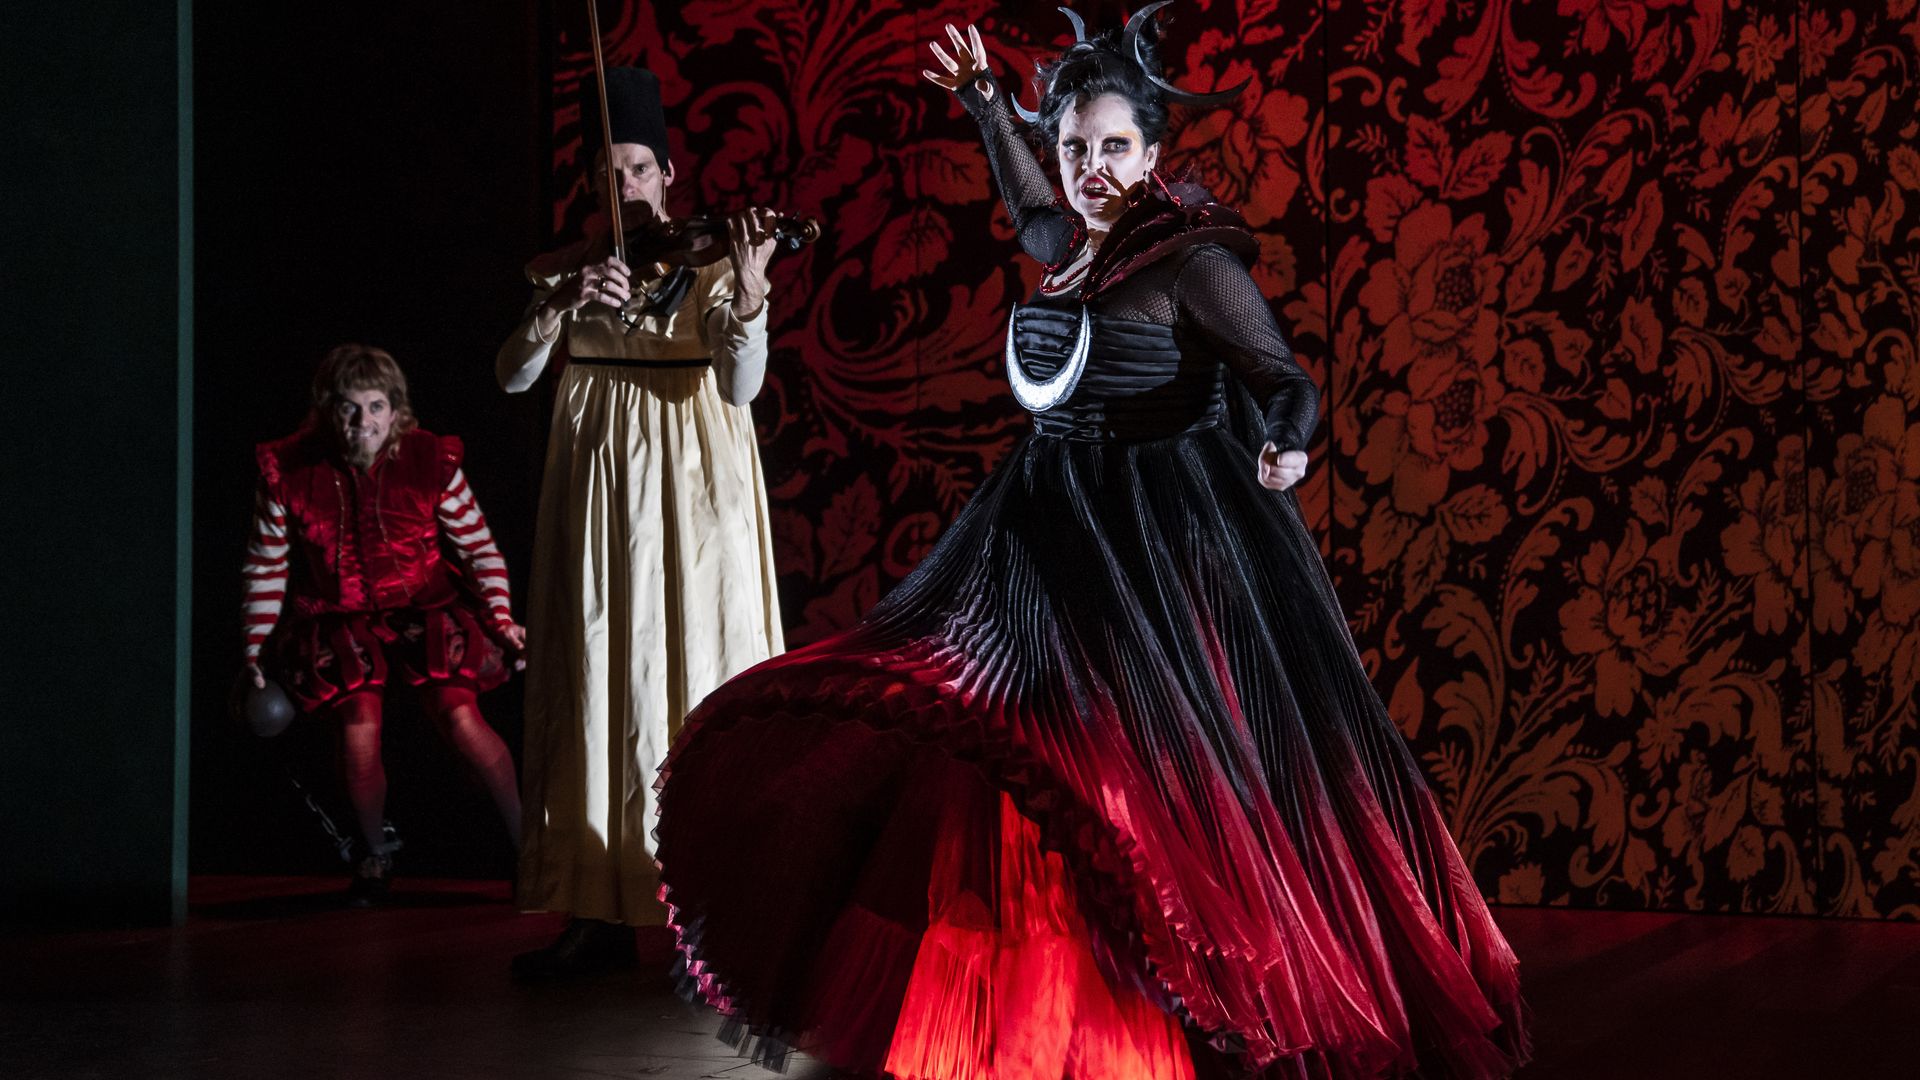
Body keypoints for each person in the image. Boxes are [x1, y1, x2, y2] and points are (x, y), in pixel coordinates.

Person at [652, 9, 1529, 1079]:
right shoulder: (1069, 245)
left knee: (1129, 768)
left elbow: (1282, 377)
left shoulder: (1189, 262)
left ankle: (1154, 1014)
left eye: (1115, 147)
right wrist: (986, 101)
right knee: (1014, 750)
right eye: (1076, 148)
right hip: (1043, 528)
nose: (1092, 169)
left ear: (1153, 156)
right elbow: (1029, 203)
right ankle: (1031, 1013)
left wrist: (1287, 446)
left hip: (1151, 540)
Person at [499, 66, 786, 977]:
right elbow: (512, 376)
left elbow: (740, 386)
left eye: (637, 168)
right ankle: (595, 907)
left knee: (699, 670)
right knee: (596, 676)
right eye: (607, 172)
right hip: (598, 489)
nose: (624, 185)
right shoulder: (565, 268)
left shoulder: (708, 261)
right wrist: (560, 304)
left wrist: (748, 298)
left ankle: (714, 910)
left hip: (696, 488)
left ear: (666, 175)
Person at [243, 344, 526, 906]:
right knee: (359, 722)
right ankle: (375, 854)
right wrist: (254, 647)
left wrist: (500, 616)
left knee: (460, 715)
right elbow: (266, 565)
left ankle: (529, 848)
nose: (363, 421)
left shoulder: (428, 460)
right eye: (349, 407)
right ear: (327, 409)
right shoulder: (289, 471)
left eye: (375, 406)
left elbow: (477, 549)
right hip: (338, 615)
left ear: (395, 410)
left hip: (423, 605)